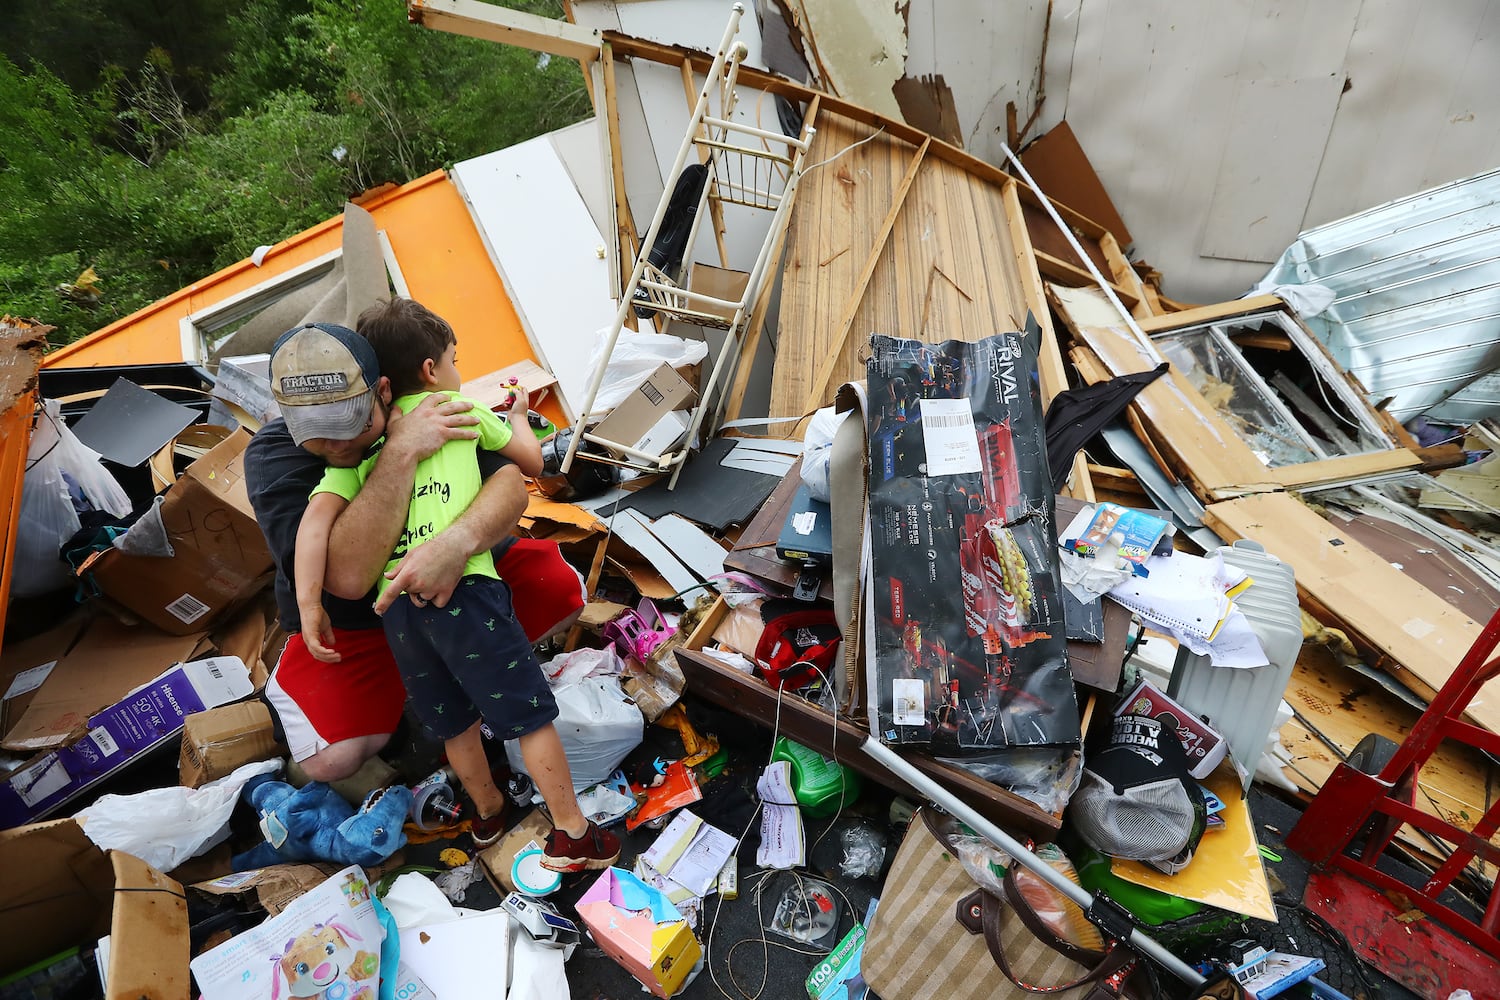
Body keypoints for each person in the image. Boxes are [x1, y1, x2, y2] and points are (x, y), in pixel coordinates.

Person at [243, 318, 592, 848]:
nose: (336, 445)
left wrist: (456, 545)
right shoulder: (272, 458)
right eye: (318, 437)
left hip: (453, 583)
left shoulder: (432, 405)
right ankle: (568, 828)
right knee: (330, 761)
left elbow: (511, 486)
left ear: (383, 388)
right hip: (353, 623)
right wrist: (399, 451)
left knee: (561, 588)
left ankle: (472, 758)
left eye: (351, 426)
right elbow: (350, 578)